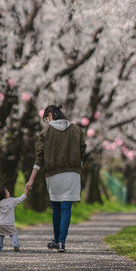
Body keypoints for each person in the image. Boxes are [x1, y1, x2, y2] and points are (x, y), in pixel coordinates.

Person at [25, 104, 86, 253]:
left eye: (46, 118)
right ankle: (61, 242)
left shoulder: (46, 131)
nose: (47, 121)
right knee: (66, 208)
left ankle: (56, 239)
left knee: (56, 208)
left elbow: (39, 158)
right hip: (72, 173)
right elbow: (83, 149)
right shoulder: (77, 130)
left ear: (50, 115)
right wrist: (77, 165)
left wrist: (31, 179)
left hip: (53, 174)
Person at [0, 184, 27, 252]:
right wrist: (25, 193)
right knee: (13, 234)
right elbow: (20, 199)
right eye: (7, 191)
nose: (8, 192)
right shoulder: (12, 201)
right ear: (6, 195)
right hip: (9, 224)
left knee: (0, 236)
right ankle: (15, 244)